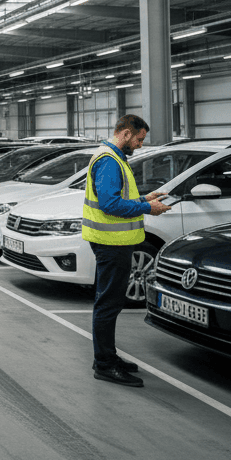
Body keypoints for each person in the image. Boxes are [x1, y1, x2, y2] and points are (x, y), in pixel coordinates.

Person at [83, 114, 170, 388]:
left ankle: (107, 357)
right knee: (108, 305)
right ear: (126, 133)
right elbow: (110, 205)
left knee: (108, 303)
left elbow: (119, 199)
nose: (141, 145)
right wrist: (148, 209)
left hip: (113, 243)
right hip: (111, 244)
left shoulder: (114, 158)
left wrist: (145, 198)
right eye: (140, 139)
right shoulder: (109, 161)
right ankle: (105, 365)